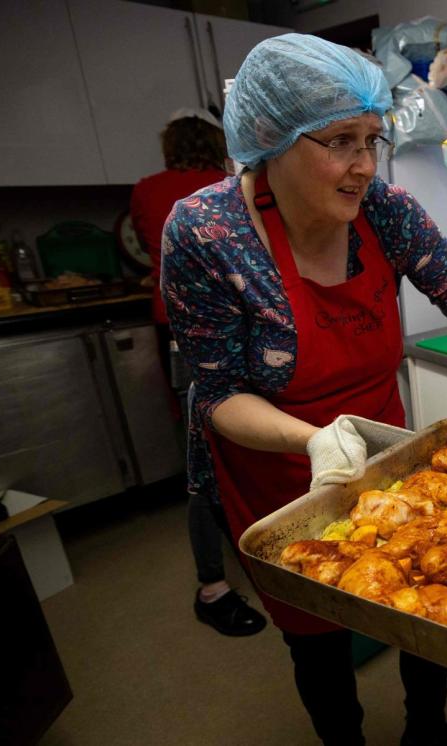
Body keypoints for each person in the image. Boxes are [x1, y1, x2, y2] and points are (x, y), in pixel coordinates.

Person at [160, 34, 447, 746]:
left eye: (373, 140)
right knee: (319, 640)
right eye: (342, 142)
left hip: (389, 455)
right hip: (283, 472)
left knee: (426, 607)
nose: (363, 166)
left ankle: (425, 729)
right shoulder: (207, 234)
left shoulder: (386, 212)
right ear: (273, 141)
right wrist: (313, 439)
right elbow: (218, 394)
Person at [130, 108, 267, 638]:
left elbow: (150, 252)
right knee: (222, 454)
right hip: (231, 342)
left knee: (200, 462)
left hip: (174, 336)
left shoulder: (145, 190)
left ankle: (215, 582)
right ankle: (231, 579)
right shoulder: (224, 193)